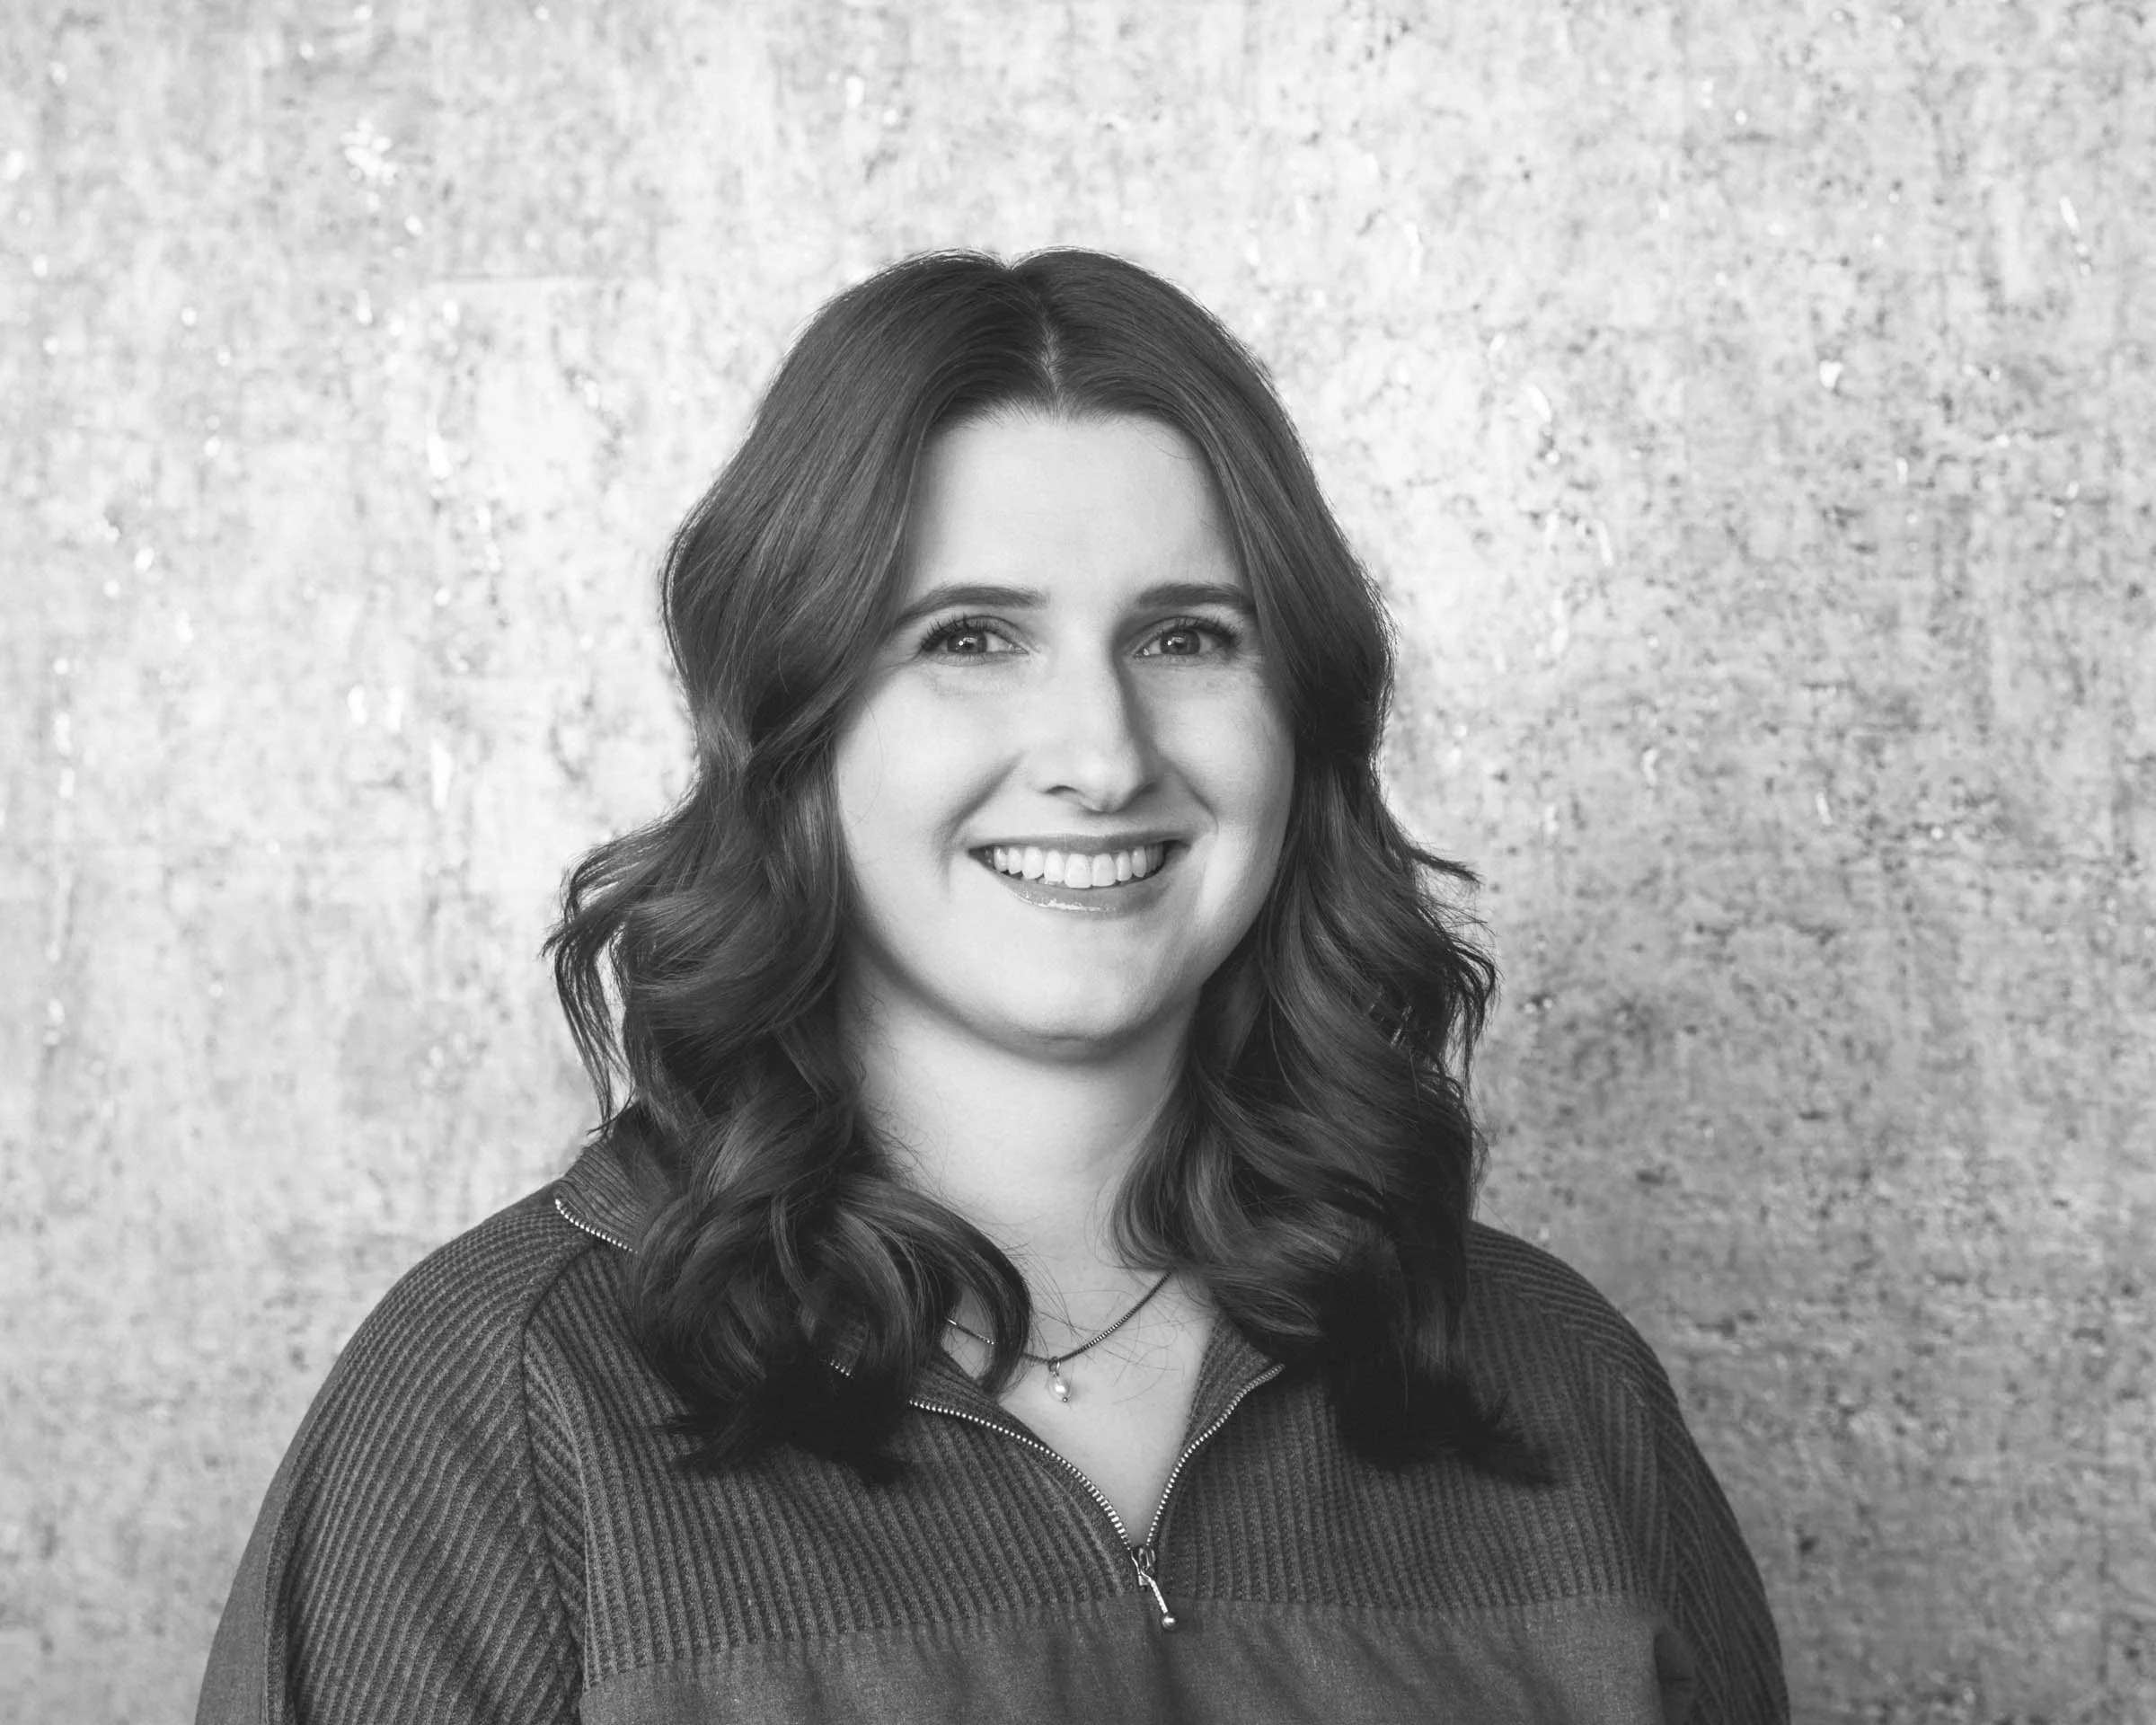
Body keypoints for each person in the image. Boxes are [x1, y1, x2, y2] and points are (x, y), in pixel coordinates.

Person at [197, 248, 1788, 1723]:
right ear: (797, 730)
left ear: (1302, 723)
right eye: (970, 637)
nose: (1102, 758)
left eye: (1187, 639)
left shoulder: (1554, 1386)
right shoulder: (501, 1415)